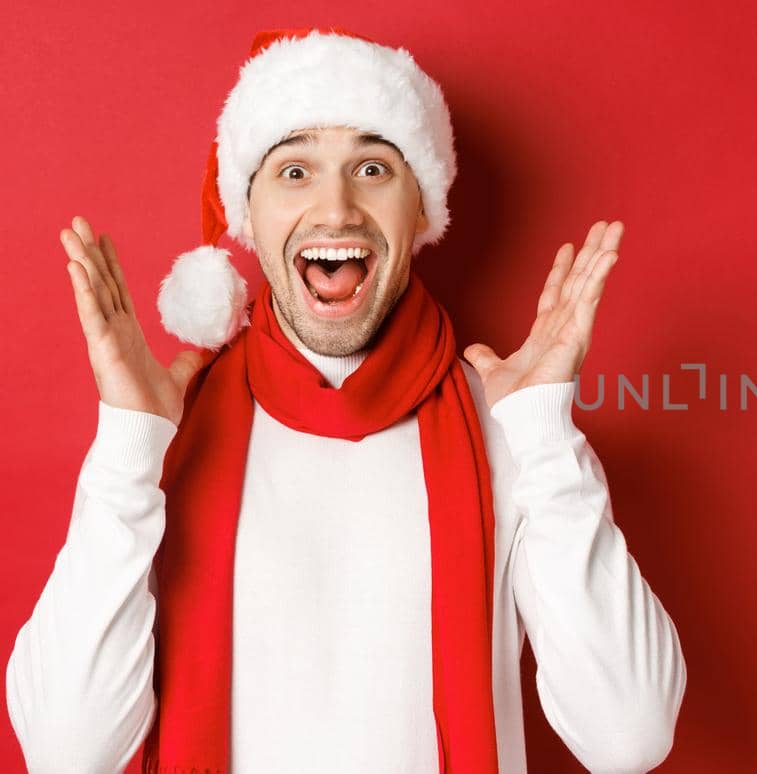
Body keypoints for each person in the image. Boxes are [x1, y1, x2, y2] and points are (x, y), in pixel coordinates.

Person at [5, 27, 686, 773]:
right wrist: (129, 447)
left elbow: (630, 738)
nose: (336, 209)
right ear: (248, 216)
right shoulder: (168, 430)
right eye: (294, 171)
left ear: (421, 211)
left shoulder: (511, 432)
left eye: (371, 168)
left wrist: (547, 439)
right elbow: (67, 753)